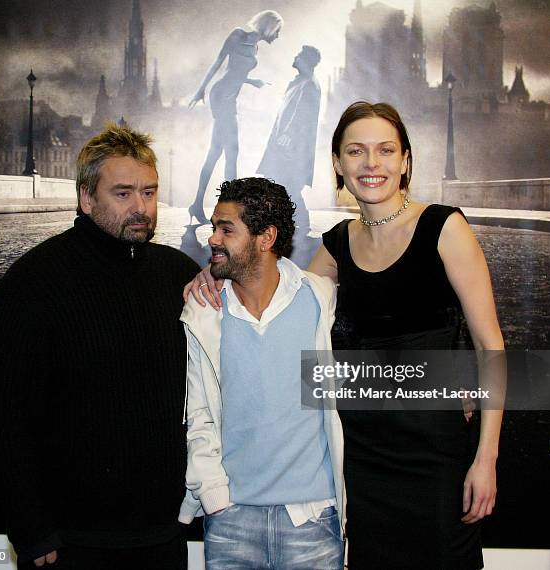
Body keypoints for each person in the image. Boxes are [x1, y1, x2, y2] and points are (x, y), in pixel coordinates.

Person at [185, 102, 504, 570]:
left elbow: (490, 346)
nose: (371, 164)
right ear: (338, 163)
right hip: (362, 462)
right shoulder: (336, 246)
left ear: (406, 161)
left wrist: (487, 457)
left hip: (435, 457)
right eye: (356, 151)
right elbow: (280, 294)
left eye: (385, 150)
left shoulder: (444, 228)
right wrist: (212, 277)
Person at [0, 123, 200, 569]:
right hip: (70, 544)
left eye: (150, 193)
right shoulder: (31, 283)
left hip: (163, 536)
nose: (141, 207)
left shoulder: (178, 274)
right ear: (86, 197)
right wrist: (33, 531)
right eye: (123, 193)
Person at [178, 177, 346, 569]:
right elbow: (198, 418)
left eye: (226, 229)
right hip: (230, 522)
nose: (213, 239)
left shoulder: (318, 299)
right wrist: (216, 500)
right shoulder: (205, 313)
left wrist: (459, 379)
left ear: (266, 237)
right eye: (214, 227)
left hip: (312, 520)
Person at [188, 10, 284, 224]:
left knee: (216, 153)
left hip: (230, 99)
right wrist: (200, 90)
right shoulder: (238, 35)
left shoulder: (255, 46)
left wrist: (252, 82)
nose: (278, 36)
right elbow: (218, 63)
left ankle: (198, 204)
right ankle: (228, 210)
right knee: (232, 152)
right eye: (277, 31)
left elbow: (238, 73)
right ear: (269, 27)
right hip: (221, 95)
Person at [257, 45, 322, 238]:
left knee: (288, 184)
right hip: (284, 144)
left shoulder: (309, 84)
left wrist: (288, 134)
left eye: (299, 54)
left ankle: (301, 222)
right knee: (281, 183)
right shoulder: (299, 82)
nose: (295, 56)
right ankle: (292, 222)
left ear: (307, 60)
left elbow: (302, 115)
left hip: (292, 148)